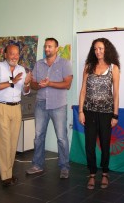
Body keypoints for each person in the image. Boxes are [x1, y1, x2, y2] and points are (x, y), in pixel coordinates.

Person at [26, 38, 73, 179]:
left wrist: (49, 83)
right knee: (38, 137)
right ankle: (37, 165)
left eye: (50, 46)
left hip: (58, 105)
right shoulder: (39, 64)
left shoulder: (65, 63)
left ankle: (64, 167)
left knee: (61, 138)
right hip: (40, 104)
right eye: (45, 46)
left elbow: (67, 84)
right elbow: (33, 84)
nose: (47, 49)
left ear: (56, 48)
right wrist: (38, 85)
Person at [78, 38, 120, 190]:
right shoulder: (88, 66)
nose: (98, 51)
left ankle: (105, 173)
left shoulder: (113, 68)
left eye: (101, 48)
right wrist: (81, 111)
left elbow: (115, 94)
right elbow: (83, 90)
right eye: (95, 49)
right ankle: (91, 174)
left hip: (106, 113)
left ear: (106, 49)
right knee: (89, 144)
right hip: (89, 112)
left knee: (104, 144)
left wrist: (115, 115)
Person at [0, 44, 32, 187]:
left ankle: (8, 172)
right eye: (11, 53)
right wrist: (12, 81)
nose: (14, 56)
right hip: (1, 106)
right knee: (4, 142)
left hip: (16, 108)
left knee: (13, 142)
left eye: (17, 54)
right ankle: (5, 176)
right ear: (5, 54)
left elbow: (25, 92)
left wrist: (26, 84)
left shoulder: (21, 70)